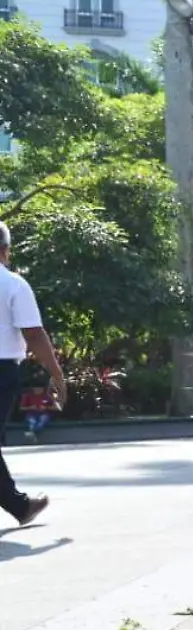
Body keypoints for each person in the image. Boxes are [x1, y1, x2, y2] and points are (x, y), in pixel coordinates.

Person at [0, 221, 63, 525]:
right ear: (6, 250)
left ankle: (19, 506)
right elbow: (34, 335)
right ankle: (20, 507)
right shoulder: (13, 284)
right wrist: (57, 376)